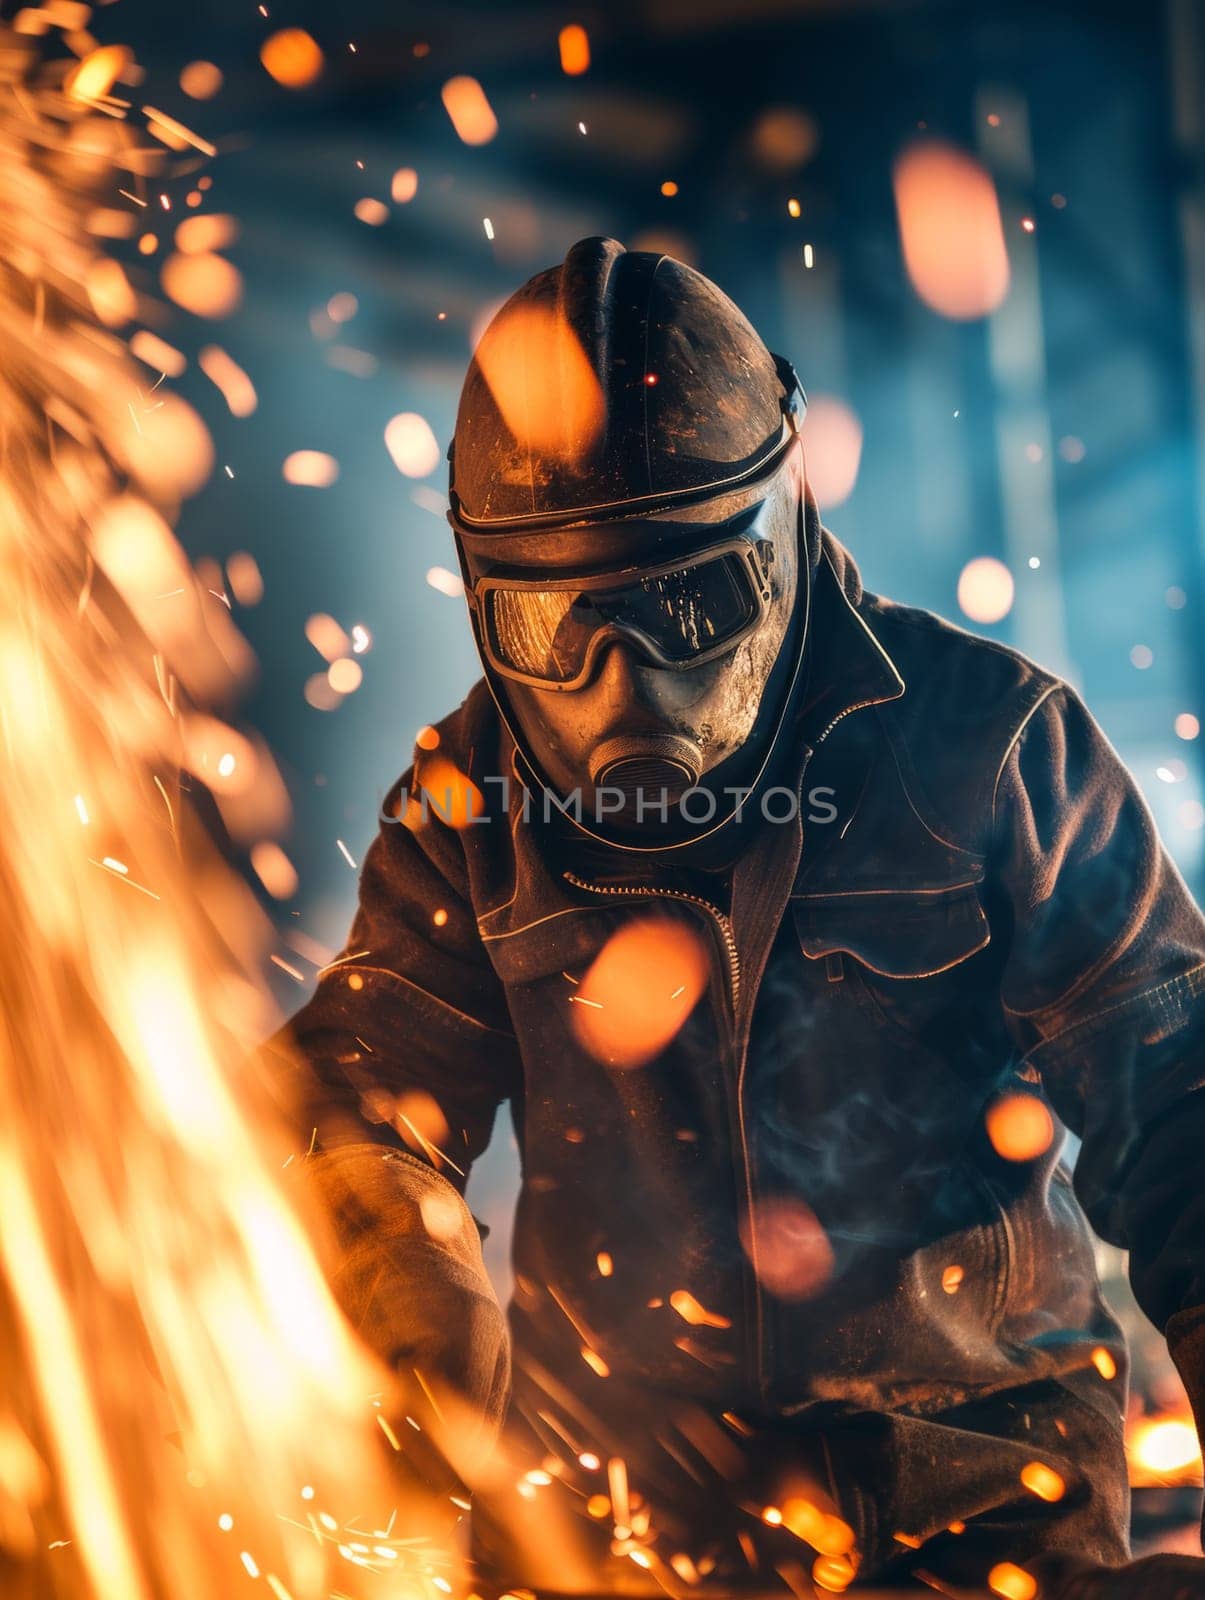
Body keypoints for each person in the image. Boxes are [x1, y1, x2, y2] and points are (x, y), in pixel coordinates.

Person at [281, 237, 1205, 1597]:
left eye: (685, 606)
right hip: (620, 1533)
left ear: (781, 533)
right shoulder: (465, 804)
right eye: (560, 630)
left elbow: (1177, 1109)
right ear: (485, 608)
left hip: (973, 1512)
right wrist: (403, 1298)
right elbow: (356, 1101)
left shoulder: (987, 747)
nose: (622, 682)